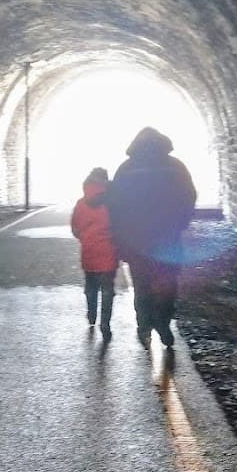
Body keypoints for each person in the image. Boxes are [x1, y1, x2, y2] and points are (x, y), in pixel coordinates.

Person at [107, 127, 196, 348]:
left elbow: (115, 205)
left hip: (137, 240)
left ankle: (144, 325)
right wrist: (180, 224)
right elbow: (188, 197)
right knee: (167, 282)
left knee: (141, 283)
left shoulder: (126, 168)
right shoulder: (176, 166)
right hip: (167, 237)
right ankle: (163, 323)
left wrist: (119, 236)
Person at [70, 167, 118, 337]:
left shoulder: (81, 204)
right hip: (109, 253)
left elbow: (75, 229)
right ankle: (105, 323)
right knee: (107, 290)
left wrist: (86, 238)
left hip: (89, 252)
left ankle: (91, 315)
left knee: (91, 287)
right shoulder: (111, 203)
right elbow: (118, 226)